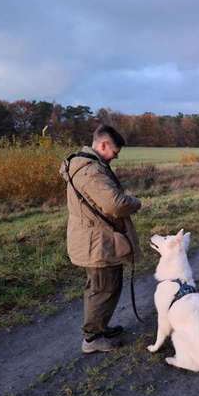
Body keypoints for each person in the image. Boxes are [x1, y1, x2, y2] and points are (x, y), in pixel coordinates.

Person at [60, 125, 142, 353]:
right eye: (115, 152)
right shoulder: (90, 170)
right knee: (102, 289)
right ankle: (92, 338)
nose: (116, 157)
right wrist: (135, 202)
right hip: (96, 243)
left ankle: (100, 327)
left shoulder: (88, 166)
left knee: (104, 286)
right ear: (103, 145)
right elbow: (115, 204)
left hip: (96, 239)